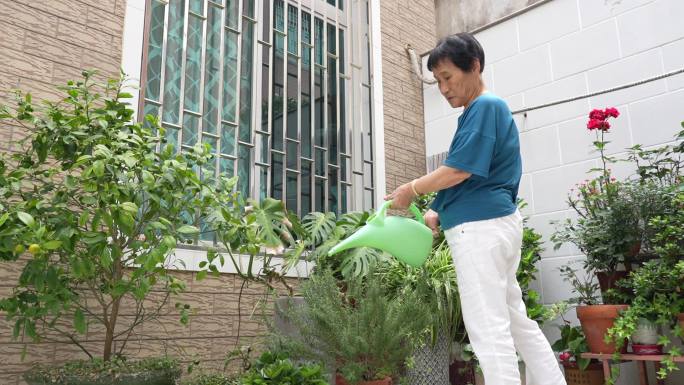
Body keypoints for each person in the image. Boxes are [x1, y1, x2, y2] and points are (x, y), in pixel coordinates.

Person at [385, 33, 566, 385]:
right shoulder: (479, 111)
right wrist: (438, 208)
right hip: (494, 226)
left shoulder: (485, 106)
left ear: (475, 67)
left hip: (480, 230)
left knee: (488, 327)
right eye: (437, 81)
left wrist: (411, 189)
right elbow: (472, 173)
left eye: (448, 77)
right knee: (514, 320)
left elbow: (459, 169)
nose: (443, 88)